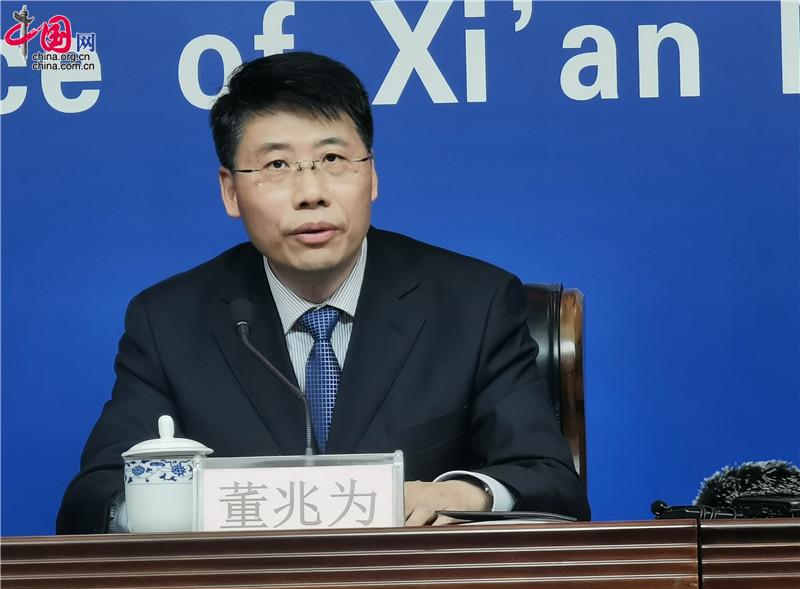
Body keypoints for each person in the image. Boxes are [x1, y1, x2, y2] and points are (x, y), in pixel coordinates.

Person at [56, 52, 590, 534]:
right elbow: (91, 502)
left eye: (333, 160)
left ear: (372, 175)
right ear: (230, 191)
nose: (311, 193)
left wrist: (459, 494)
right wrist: (180, 506)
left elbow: (551, 481)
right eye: (276, 165)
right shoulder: (168, 321)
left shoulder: (474, 303)